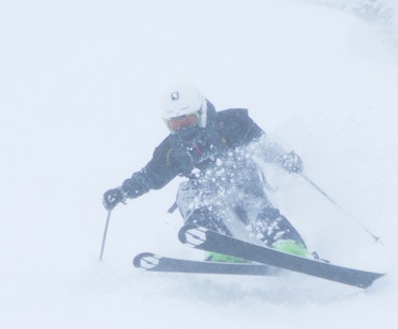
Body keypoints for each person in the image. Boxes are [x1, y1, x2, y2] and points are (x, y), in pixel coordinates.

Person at [102, 85, 310, 261]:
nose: (182, 129)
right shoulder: (172, 149)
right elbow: (150, 176)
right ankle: (220, 246)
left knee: (254, 206)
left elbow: (262, 145)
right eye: (175, 124)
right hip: (207, 193)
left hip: (242, 180)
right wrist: (123, 191)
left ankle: (287, 243)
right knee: (186, 191)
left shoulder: (232, 123)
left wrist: (285, 160)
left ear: (201, 113)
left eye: (187, 121)